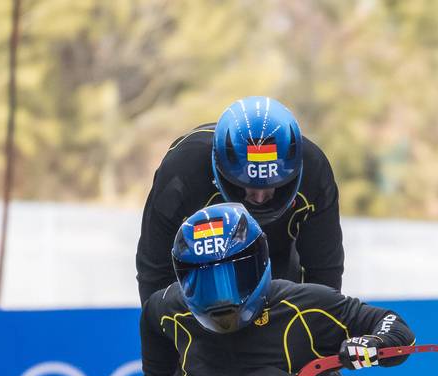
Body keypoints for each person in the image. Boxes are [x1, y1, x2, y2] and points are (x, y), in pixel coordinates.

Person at [140, 203, 411, 376]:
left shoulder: (304, 304)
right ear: (184, 280)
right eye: (205, 283)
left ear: (259, 263)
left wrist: (374, 343)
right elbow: (151, 318)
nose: (222, 299)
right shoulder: (171, 307)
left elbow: (393, 325)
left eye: (234, 276)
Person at [136, 96, 344, 303]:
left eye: (272, 186)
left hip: (276, 260)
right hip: (203, 267)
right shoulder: (181, 171)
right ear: (221, 172)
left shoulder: (314, 170)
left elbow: (325, 271)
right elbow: (154, 271)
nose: (259, 198)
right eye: (248, 186)